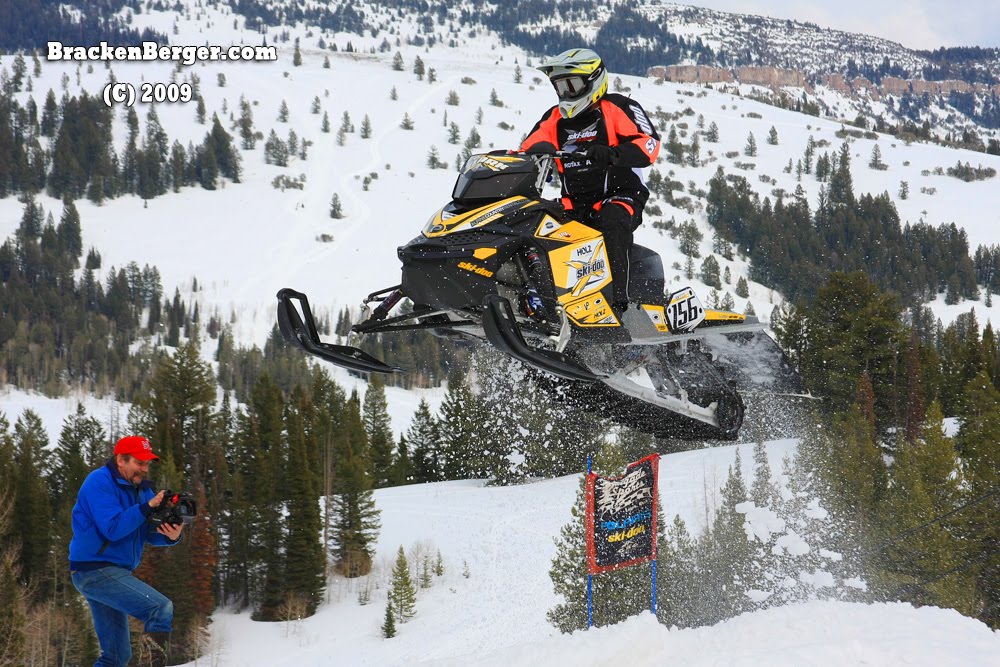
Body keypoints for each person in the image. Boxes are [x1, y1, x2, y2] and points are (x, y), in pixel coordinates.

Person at [520, 48, 661, 310]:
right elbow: (527, 150)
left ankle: (619, 304)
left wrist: (613, 154)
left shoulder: (618, 107)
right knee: (532, 224)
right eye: (561, 86)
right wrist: (530, 157)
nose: (566, 93)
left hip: (620, 195)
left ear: (594, 81)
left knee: (613, 220)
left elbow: (649, 145)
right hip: (574, 203)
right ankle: (539, 299)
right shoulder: (553, 118)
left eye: (572, 85)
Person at [69, 435, 183, 667]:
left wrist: (171, 536)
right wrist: (147, 507)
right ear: (121, 459)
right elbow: (113, 528)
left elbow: (147, 532)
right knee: (160, 608)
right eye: (139, 463)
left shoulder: (141, 490)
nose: (144, 469)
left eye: (147, 464)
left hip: (113, 573)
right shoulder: (99, 482)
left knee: (116, 657)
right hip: (95, 570)